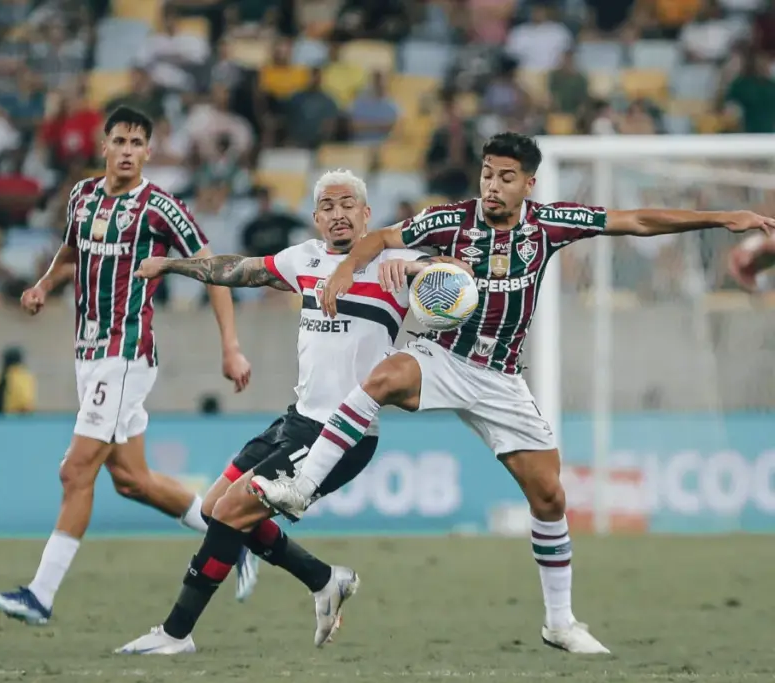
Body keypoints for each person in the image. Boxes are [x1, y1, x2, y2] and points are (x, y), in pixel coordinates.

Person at [251, 132, 775, 654]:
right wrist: (343, 270)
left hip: (501, 380)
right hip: (444, 357)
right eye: (486, 174)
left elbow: (633, 221)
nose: (492, 186)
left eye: (505, 177)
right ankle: (303, 484)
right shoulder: (451, 219)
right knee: (383, 379)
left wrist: (722, 219)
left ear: (528, 183)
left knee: (549, 497)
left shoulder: (549, 224)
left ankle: (560, 622)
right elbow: (381, 238)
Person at [114, 169, 459, 654]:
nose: (338, 215)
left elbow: (455, 274)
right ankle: (324, 578)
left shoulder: (394, 261)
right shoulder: (305, 259)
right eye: (327, 207)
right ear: (316, 217)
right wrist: (172, 266)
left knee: (233, 513)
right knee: (215, 509)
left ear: (366, 214)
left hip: (344, 433)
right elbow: (238, 269)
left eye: (347, 205)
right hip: (296, 420)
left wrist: (422, 269)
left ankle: (176, 634)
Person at [0, 106, 255, 624]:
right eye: (119, 141)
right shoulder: (81, 197)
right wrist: (42, 284)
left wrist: (231, 346)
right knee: (132, 480)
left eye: (136, 142)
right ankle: (230, 537)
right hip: (88, 354)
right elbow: (69, 255)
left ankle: (39, 596)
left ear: (149, 152)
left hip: (124, 355)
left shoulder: (161, 208)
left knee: (75, 471)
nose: (127, 150)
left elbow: (215, 270)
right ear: (103, 146)